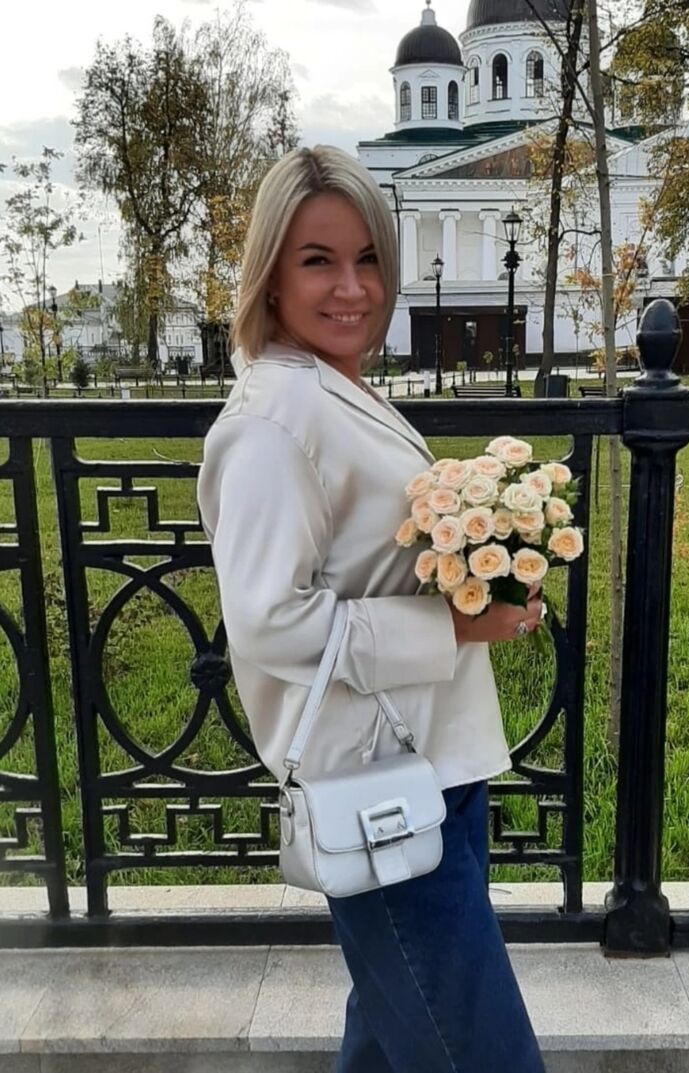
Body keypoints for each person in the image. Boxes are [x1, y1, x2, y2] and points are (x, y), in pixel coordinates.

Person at [196, 145, 546, 1073]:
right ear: (271, 274)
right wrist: (454, 626)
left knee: (394, 1045)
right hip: (376, 785)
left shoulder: (332, 386)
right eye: (318, 260)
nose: (352, 288)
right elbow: (269, 621)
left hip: (426, 765)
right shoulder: (272, 421)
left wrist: (488, 571)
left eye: (368, 260)